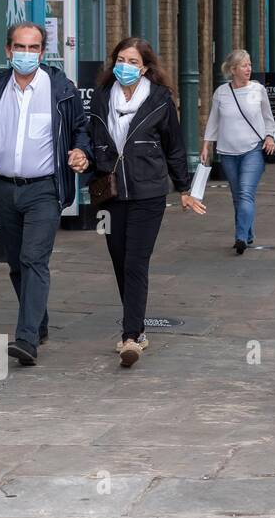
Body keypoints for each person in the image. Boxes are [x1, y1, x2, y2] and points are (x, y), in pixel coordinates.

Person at [0, 22, 92, 366]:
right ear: (8, 50)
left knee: (34, 259)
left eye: (34, 48)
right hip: (4, 188)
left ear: (43, 53)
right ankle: (39, 321)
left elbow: (81, 129)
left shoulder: (60, 88)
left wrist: (80, 152)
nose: (27, 54)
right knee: (16, 264)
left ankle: (26, 338)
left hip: (44, 189)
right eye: (20, 47)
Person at [88, 37, 206, 368]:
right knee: (119, 258)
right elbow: (91, 137)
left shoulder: (159, 101)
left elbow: (175, 146)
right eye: (120, 59)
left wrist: (184, 187)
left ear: (145, 68)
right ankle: (136, 326)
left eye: (132, 61)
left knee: (136, 260)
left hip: (148, 193)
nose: (124, 66)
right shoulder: (100, 98)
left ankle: (131, 335)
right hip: (109, 193)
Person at [201, 50, 275, 254]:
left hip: (253, 149)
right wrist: (206, 145)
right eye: (244, 65)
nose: (249, 69)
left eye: (250, 64)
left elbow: (269, 118)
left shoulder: (258, 90)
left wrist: (270, 136)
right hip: (227, 152)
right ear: (233, 70)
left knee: (245, 193)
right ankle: (248, 233)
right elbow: (214, 120)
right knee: (238, 196)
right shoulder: (221, 93)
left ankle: (240, 237)